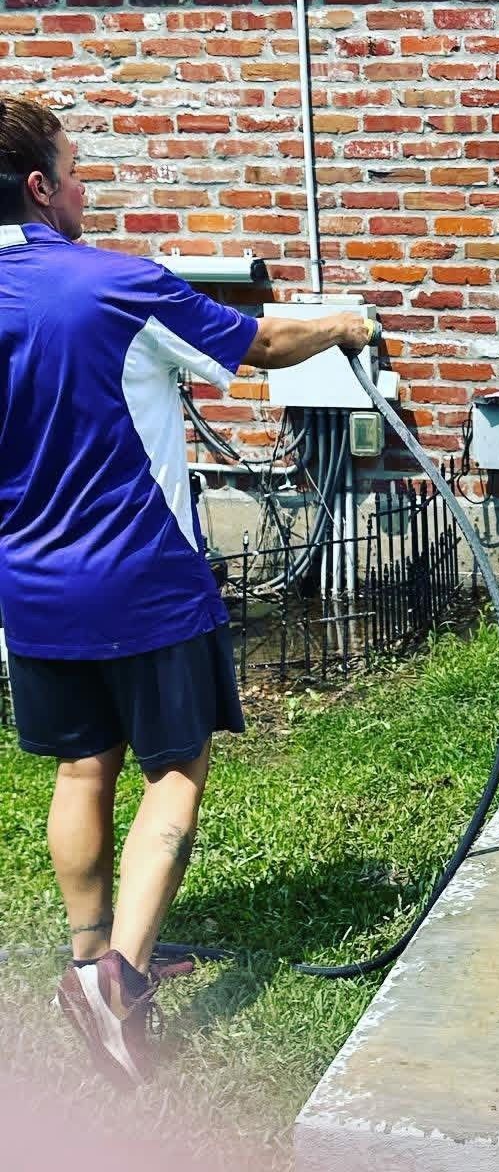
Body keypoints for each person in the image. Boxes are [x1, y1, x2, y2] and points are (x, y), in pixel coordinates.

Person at [0, 98, 374, 1087]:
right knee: (173, 773)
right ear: (39, 187)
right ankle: (119, 991)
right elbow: (261, 347)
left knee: (82, 773)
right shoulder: (118, 286)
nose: (85, 188)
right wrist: (344, 323)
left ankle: (91, 963)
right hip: (146, 581)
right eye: (75, 171)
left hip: (30, 588)